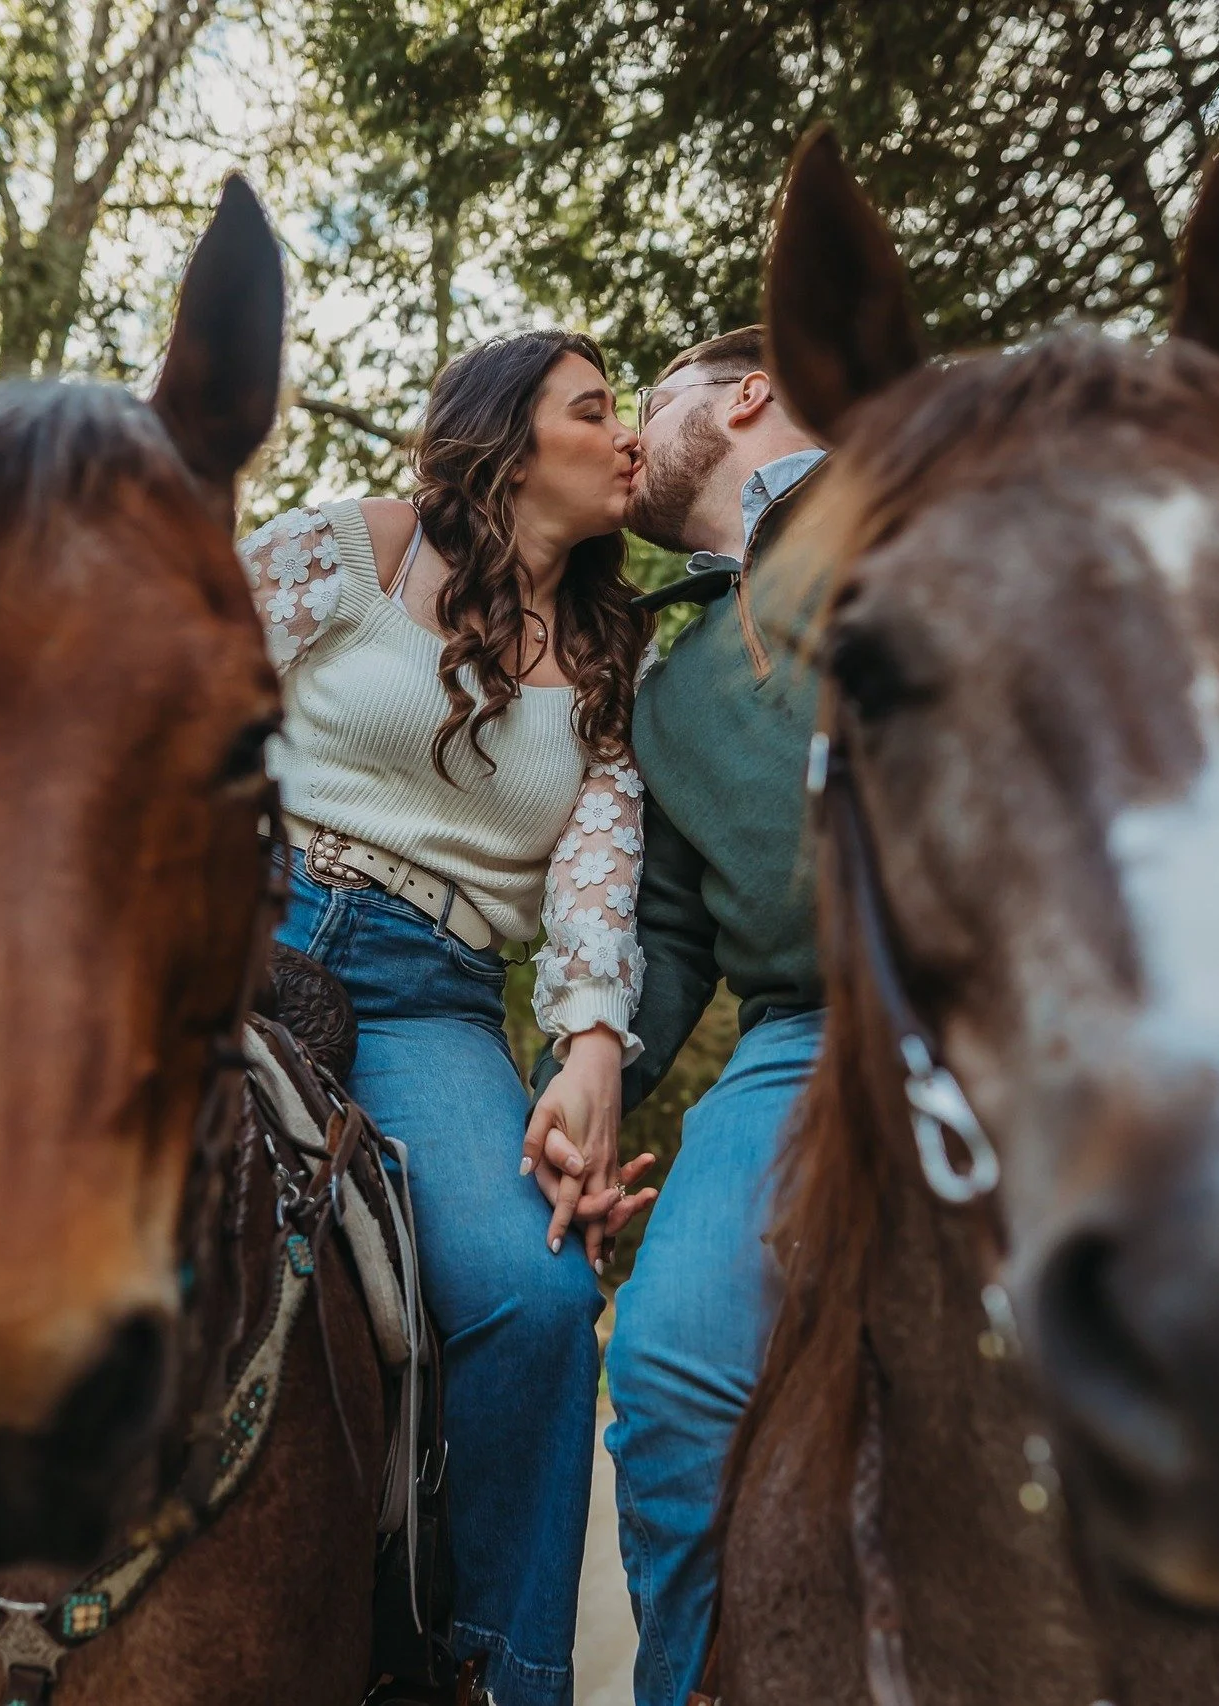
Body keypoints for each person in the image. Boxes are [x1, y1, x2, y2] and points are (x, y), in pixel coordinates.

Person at [239, 330, 658, 1706]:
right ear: (509, 436)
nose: (628, 433)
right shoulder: (363, 545)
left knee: (540, 1300)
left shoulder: (613, 652)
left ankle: (491, 1674)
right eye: (596, 409)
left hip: (432, 992)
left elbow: (596, 885)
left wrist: (588, 1046)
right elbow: (183, 662)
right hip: (250, 917)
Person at [528, 325, 829, 1706]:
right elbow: (659, 938)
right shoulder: (668, 677)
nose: (632, 433)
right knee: (662, 1372)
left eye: (653, 399)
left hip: (1045, 1002)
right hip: (803, 1035)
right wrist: (581, 1087)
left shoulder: (938, 498)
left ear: (749, 392)